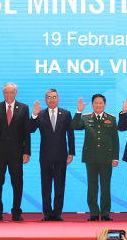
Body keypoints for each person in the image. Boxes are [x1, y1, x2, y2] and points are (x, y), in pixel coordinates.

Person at [0, 82, 31, 221]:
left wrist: (27, 152)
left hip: (17, 153)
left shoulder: (24, 108)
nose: (9, 95)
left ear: (16, 93)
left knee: (17, 183)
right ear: (3, 93)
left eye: (11, 92)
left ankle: (16, 212)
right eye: (6, 92)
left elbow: (27, 132)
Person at [27, 88, 75, 221]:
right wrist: (34, 115)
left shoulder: (65, 114)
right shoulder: (40, 114)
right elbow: (29, 129)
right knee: (46, 185)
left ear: (58, 99)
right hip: (45, 155)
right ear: (45, 100)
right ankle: (47, 213)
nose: (52, 99)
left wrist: (71, 152)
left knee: (60, 185)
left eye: (54, 97)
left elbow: (70, 134)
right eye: (49, 97)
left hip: (61, 155)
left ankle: (57, 213)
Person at [71, 94, 119, 221]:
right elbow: (74, 126)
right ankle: (93, 213)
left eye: (101, 103)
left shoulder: (111, 119)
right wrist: (79, 111)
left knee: (105, 186)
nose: (98, 105)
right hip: (90, 157)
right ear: (92, 105)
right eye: (96, 103)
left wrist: (115, 158)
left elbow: (115, 139)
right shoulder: (86, 118)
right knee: (92, 186)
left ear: (105, 105)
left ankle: (105, 213)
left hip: (106, 158)